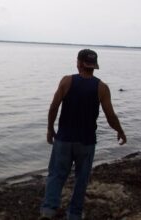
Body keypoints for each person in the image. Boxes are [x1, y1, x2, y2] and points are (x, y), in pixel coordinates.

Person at [39, 49, 127, 220]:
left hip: (64, 139)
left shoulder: (67, 81)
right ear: (94, 66)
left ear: (79, 63)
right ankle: (74, 214)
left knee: (56, 175)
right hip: (86, 142)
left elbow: (54, 106)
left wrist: (50, 128)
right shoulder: (102, 87)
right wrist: (120, 131)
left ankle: (48, 211)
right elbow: (110, 115)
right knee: (81, 179)